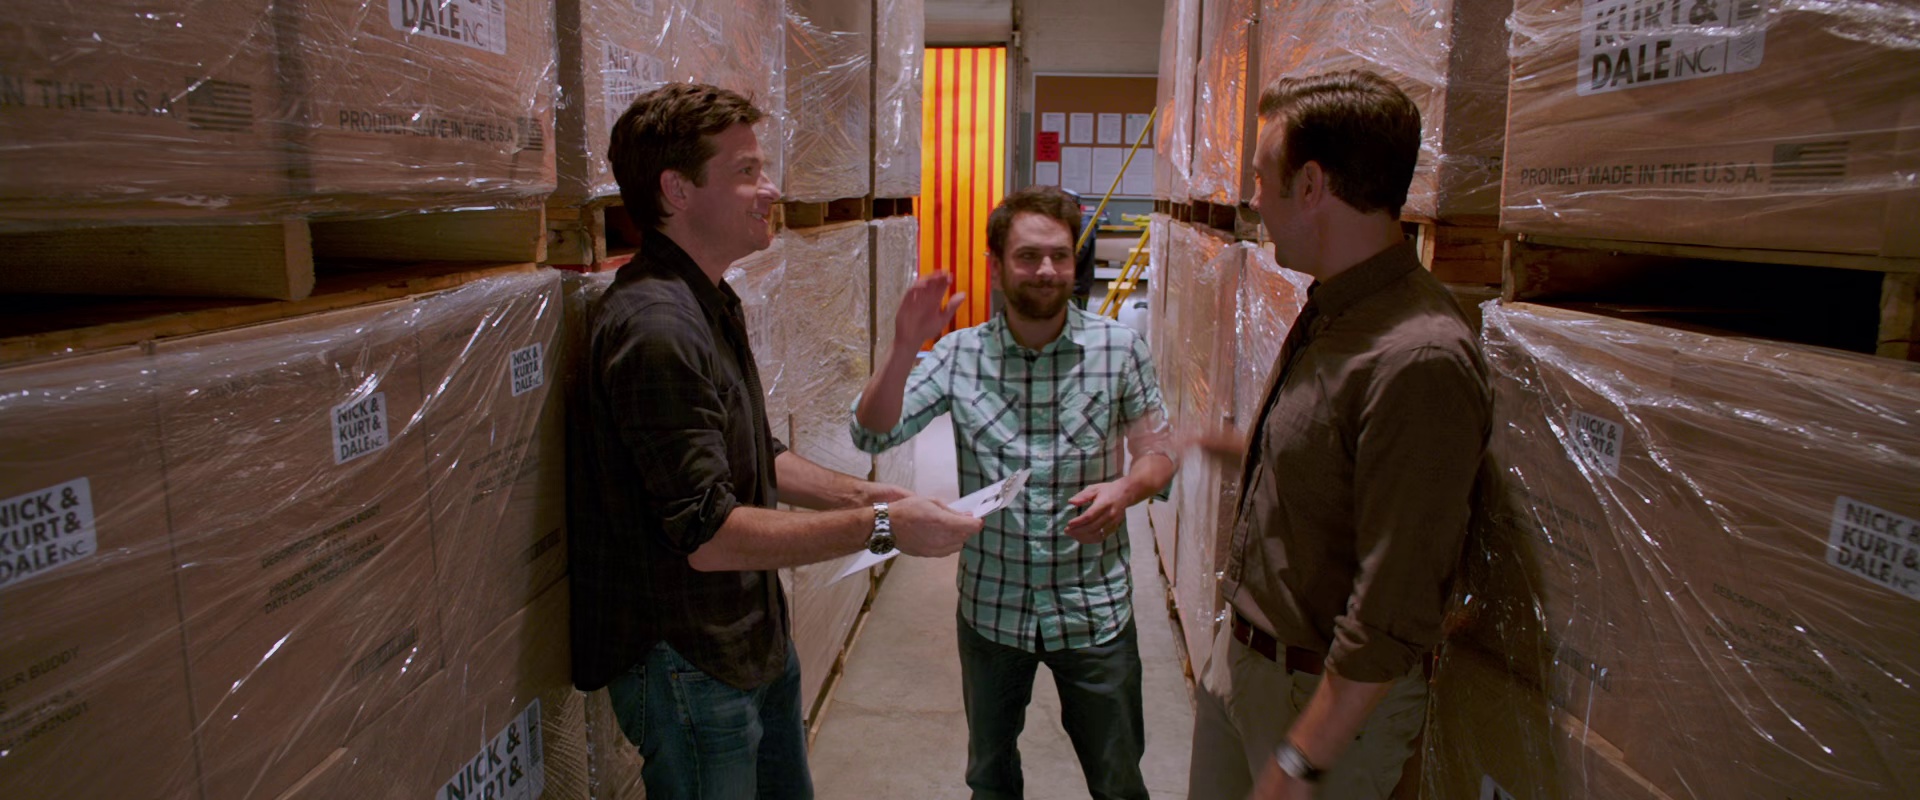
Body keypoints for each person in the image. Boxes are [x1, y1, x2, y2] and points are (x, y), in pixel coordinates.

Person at [568, 83, 984, 800]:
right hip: (689, 659)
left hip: (748, 635)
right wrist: (884, 526)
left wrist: (869, 494)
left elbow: (757, 454)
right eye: (746, 171)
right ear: (677, 190)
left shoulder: (707, 299)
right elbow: (709, 537)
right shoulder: (656, 329)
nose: (771, 189)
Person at [1185, 70, 1492, 800]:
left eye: (1262, 177)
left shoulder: (1418, 357)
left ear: (1310, 185)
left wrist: (1303, 757)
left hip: (1315, 710)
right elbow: (1335, 468)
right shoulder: (1338, 310)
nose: (1253, 199)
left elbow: (1394, 599)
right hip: (1247, 663)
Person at [852, 185, 1178, 800]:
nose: (1047, 270)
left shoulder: (1119, 350)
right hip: (993, 609)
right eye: (1028, 256)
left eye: (1060, 255)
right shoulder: (959, 355)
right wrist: (903, 347)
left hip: (1093, 608)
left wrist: (1126, 489)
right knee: (991, 779)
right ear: (997, 267)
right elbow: (871, 430)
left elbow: (1158, 454)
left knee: (1118, 780)